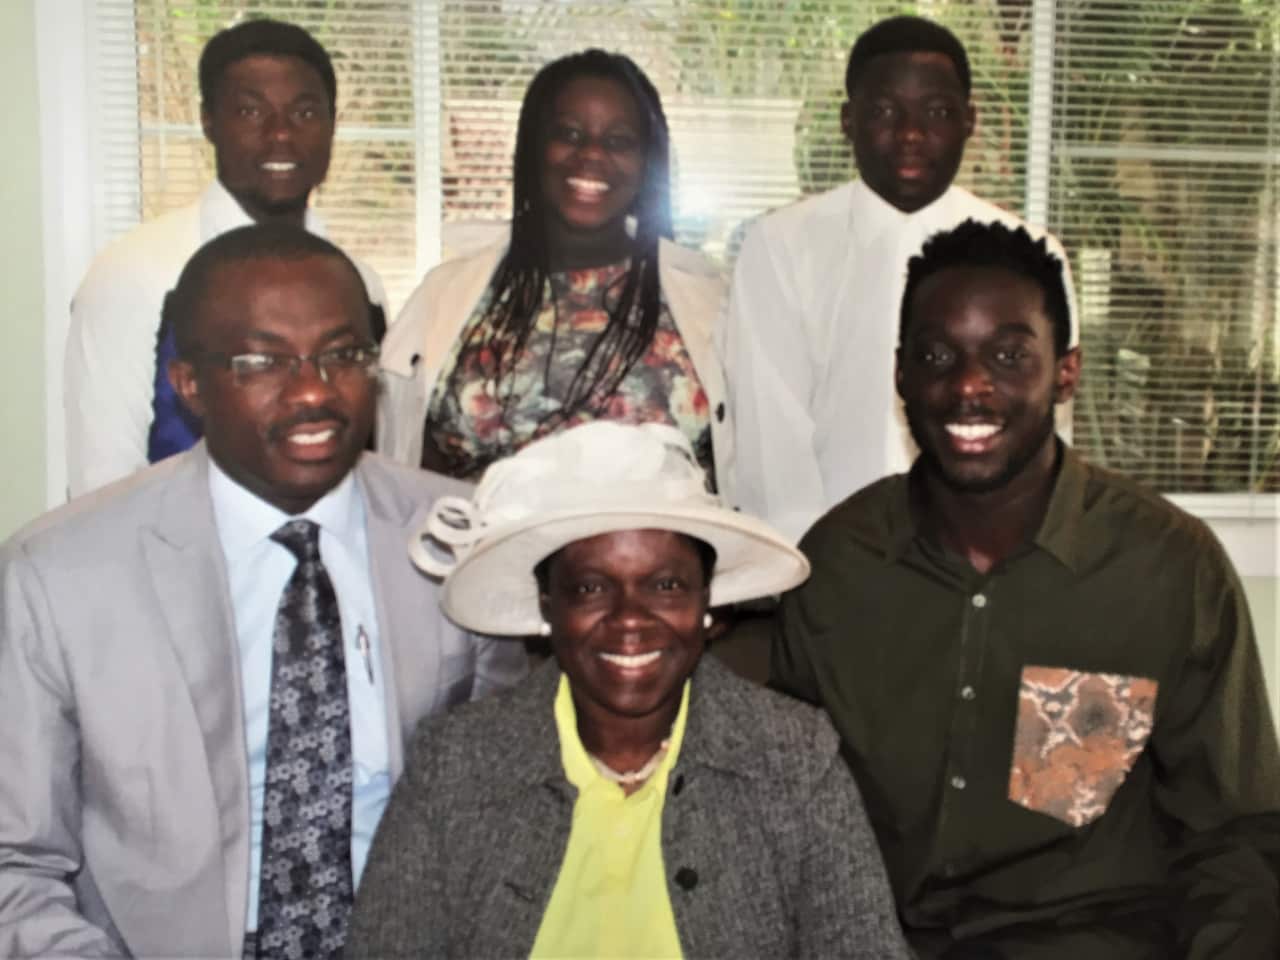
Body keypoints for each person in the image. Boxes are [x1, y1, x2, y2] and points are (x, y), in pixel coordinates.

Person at [0, 224, 525, 958]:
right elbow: (15, 865)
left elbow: (509, 810)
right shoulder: (58, 577)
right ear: (190, 386)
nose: (314, 390)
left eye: (342, 355)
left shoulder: (459, 538)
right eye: (263, 362)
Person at [770, 219, 1280, 958]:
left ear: (1066, 372)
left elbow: (1234, 836)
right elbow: (780, 812)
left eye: (1009, 356)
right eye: (938, 355)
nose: (970, 386)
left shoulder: (1167, 568)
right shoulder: (839, 568)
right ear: (901, 375)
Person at [346, 421, 909, 958]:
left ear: (705, 602)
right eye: (591, 588)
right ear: (548, 605)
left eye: (665, 586)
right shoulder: (456, 764)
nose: (630, 620)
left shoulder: (795, 760)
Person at [723, 14, 1078, 542]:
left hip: (986, 557)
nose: (911, 134)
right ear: (848, 120)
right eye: (885, 111)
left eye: (936, 112)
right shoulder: (779, 247)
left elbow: (1043, 432)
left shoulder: (1030, 255)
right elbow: (770, 440)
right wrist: (811, 567)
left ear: (970, 121)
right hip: (829, 557)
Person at [378, 49, 732, 495]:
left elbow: (741, 462)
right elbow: (406, 462)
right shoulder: (447, 294)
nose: (591, 155)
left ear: (647, 164)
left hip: (654, 561)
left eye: (619, 141)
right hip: (478, 556)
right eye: (568, 133)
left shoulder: (709, 300)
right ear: (534, 147)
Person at [64, 17, 387, 498]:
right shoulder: (138, 274)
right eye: (250, 112)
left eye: (304, 113)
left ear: (333, 124)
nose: (281, 135)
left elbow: (374, 470)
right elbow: (102, 483)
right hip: (181, 562)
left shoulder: (360, 283)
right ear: (209, 122)